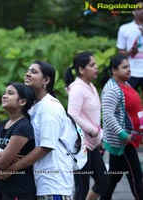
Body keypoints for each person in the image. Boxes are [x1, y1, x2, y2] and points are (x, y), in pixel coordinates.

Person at [0, 61, 74, 199]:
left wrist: (12, 169)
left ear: (46, 80)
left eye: (34, 72)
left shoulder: (50, 108)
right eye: (28, 71)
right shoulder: (34, 107)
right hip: (38, 181)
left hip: (53, 183)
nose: (27, 74)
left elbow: (46, 147)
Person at [65, 51, 109, 200]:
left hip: (92, 145)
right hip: (81, 146)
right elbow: (72, 114)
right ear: (81, 69)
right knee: (82, 188)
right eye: (92, 65)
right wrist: (92, 131)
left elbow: (93, 117)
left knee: (103, 181)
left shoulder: (90, 86)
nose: (96, 67)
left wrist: (99, 136)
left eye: (95, 64)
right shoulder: (77, 88)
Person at [0, 82, 36, 200]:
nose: (4, 96)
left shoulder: (23, 127)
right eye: (4, 93)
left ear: (22, 101)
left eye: (10, 93)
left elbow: (1, 163)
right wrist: (1, 154)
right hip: (2, 189)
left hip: (19, 191)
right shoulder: (2, 124)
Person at [101, 55, 143, 200]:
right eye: (124, 67)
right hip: (124, 143)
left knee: (113, 178)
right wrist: (123, 135)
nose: (129, 70)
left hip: (128, 140)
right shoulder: (112, 89)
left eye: (129, 66)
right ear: (114, 70)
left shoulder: (126, 84)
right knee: (137, 177)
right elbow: (108, 116)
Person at [117, 2, 143, 92]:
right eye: (139, 9)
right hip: (131, 71)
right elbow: (120, 51)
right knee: (128, 101)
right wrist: (129, 52)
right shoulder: (124, 28)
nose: (142, 11)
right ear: (133, 11)